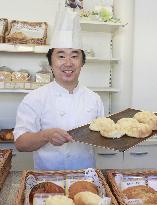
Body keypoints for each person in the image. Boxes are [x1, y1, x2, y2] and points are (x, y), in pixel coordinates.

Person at [14, 8, 104, 170]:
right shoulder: (34, 98)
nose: (68, 63)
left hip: (86, 180)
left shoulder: (94, 98)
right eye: (61, 56)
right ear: (50, 64)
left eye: (75, 56)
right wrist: (45, 135)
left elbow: (101, 138)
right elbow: (20, 143)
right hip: (48, 180)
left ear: (82, 63)